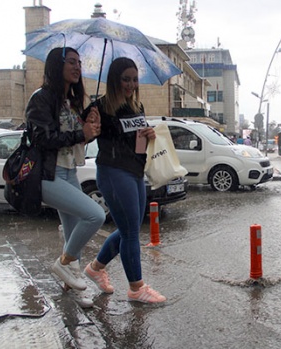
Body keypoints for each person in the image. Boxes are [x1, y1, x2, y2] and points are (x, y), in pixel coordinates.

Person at [82, 57, 166, 304]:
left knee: (130, 227)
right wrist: (90, 119)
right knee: (130, 232)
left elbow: (137, 144)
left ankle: (95, 268)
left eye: (134, 79)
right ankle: (136, 288)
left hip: (135, 171)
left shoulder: (136, 107)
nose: (130, 84)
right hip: (113, 171)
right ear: (114, 80)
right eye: (125, 79)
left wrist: (148, 135)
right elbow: (84, 136)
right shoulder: (101, 108)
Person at [26, 47, 106, 308]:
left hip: (69, 171)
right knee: (95, 215)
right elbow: (42, 139)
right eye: (71, 62)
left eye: (79, 62)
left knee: (74, 236)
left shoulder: (70, 102)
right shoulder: (42, 98)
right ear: (55, 66)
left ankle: (72, 285)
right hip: (47, 175)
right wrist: (80, 134)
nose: (77, 67)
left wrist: (88, 123)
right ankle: (62, 265)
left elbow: (74, 137)